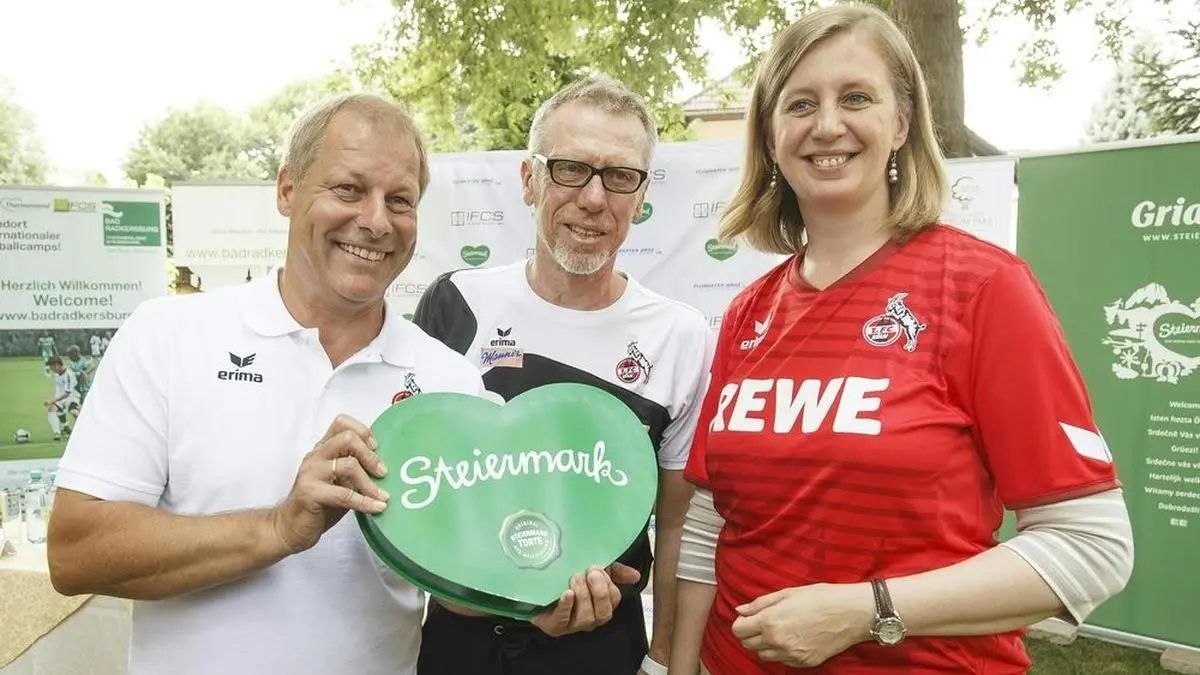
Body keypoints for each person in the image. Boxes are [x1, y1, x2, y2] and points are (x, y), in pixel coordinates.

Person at [46, 92, 628, 675]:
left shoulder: (448, 380)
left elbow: (455, 582)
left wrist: (535, 598)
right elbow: (75, 554)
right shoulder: (169, 335)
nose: (376, 221)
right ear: (287, 191)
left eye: (399, 200)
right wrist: (277, 527)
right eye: (349, 189)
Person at [669, 5, 1135, 675]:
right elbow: (713, 518)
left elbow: (1092, 546)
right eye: (799, 103)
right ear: (771, 138)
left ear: (901, 123)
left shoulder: (983, 288)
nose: (827, 124)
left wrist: (869, 608)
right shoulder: (748, 312)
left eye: (855, 96)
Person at [412, 74, 713, 675]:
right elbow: (416, 493)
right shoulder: (455, 304)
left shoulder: (679, 336)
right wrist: (479, 596)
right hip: (459, 645)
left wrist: (662, 662)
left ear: (641, 194)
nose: (594, 199)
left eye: (620, 176)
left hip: (603, 648)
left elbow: (679, 520)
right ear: (530, 180)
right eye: (571, 168)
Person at [44, 355, 80, 441]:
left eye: (52, 367)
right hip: (61, 398)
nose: (51, 369)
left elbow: (67, 393)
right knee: (51, 409)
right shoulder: (57, 374)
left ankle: (84, 430)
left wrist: (53, 400)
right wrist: (54, 401)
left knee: (74, 412)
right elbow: (59, 391)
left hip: (72, 397)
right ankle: (57, 433)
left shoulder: (68, 374)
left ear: (57, 365)